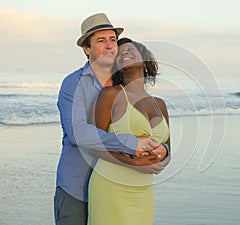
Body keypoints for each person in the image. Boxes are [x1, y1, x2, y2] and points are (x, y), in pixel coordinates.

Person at [54, 13, 170, 225]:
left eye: (112, 40)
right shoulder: (74, 84)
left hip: (127, 186)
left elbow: (157, 137)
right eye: (100, 40)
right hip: (77, 186)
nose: (109, 46)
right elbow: (79, 133)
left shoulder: (126, 88)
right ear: (86, 49)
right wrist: (133, 145)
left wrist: (163, 153)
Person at [88, 37, 171, 225]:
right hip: (111, 186)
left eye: (130, 50)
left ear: (145, 59)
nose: (125, 53)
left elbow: (168, 149)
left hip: (143, 190)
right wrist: (133, 163)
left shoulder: (160, 104)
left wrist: (161, 159)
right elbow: (93, 144)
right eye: (120, 53)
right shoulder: (111, 95)